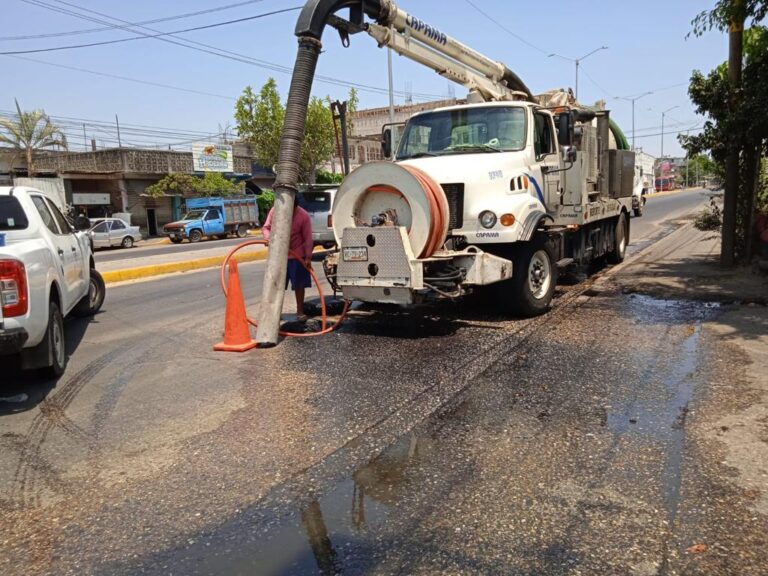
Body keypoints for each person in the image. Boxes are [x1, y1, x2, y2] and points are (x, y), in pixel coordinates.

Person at [262, 200, 314, 322]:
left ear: (295, 206)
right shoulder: (275, 211)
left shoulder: (303, 216)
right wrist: (268, 238)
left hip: (297, 255)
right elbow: (266, 228)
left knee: (299, 285)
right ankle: (274, 312)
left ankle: (300, 311)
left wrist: (307, 258)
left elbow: (308, 238)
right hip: (278, 255)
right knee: (276, 285)